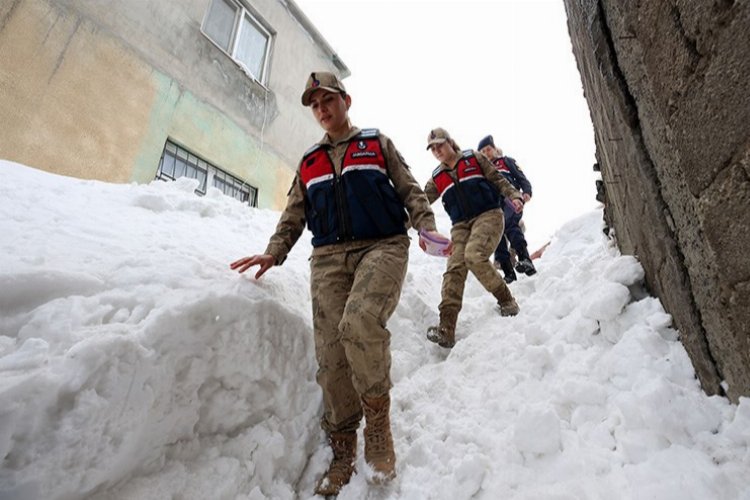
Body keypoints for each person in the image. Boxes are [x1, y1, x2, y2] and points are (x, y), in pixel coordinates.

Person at [230, 72, 448, 496]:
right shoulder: (309, 161)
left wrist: (425, 227)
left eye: (327, 100)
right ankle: (343, 441)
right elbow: (294, 214)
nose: (321, 110)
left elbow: (411, 191)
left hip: (382, 246)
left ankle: (378, 425)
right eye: (314, 105)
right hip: (328, 257)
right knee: (331, 352)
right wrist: (274, 251)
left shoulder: (375, 143)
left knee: (360, 321)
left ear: (346, 100)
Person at [422, 128, 524, 349]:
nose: (437, 150)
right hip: (460, 227)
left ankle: (506, 300)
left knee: (473, 256)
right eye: (433, 148)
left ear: (450, 142)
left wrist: (514, 196)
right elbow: (419, 202)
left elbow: (498, 179)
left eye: (440, 145)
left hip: (489, 215)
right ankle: (446, 329)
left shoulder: (473, 158)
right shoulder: (437, 176)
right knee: (454, 268)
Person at [477, 135, 536, 282]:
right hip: (493, 206)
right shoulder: (483, 172)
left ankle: (524, 258)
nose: (486, 153)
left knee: (510, 226)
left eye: (488, 149)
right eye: (482, 152)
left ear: (495, 149)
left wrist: (526, 192)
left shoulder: (505, 161)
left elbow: (521, 177)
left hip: (510, 200)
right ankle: (508, 271)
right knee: (497, 235)